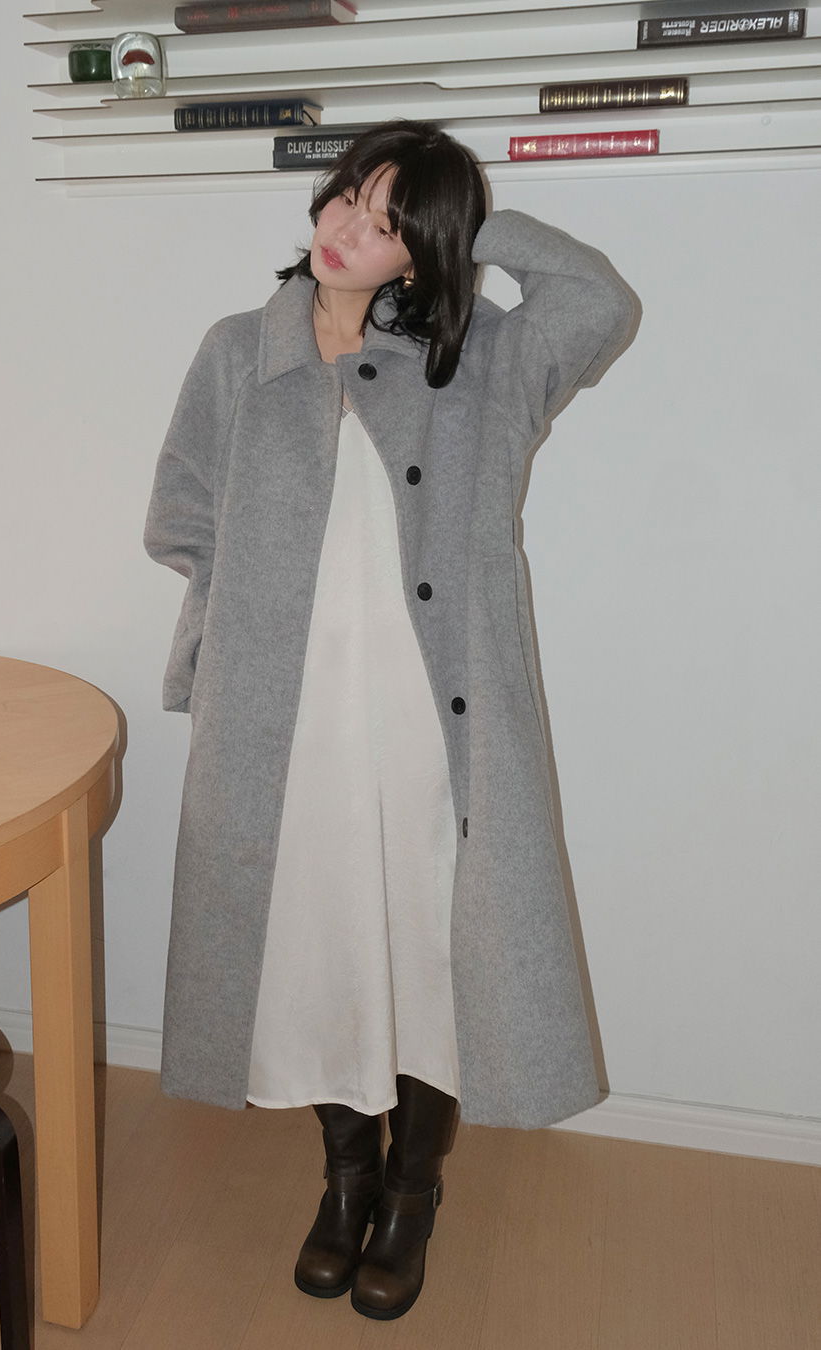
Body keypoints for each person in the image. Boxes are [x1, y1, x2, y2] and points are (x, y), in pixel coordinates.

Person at [144, 118, 634, 1321]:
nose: (346, 230)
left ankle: (412, 1193)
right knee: (316, 950)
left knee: (430, 954)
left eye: (385, 221)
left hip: (432, 726)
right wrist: (222, 643)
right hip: (287, 724)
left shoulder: (480, 358)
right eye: (347, 198)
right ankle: (344, 1179)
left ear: (424, 249)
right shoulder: (238, 351)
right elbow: (183, 517)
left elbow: (600, 302)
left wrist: (467, 230)